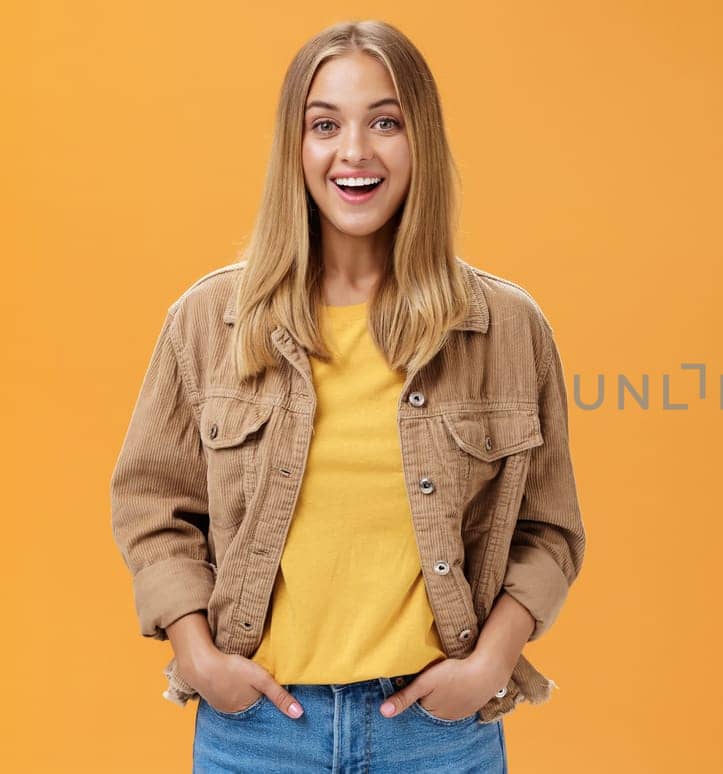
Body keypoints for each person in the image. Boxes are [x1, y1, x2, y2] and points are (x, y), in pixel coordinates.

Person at [109, 19, 585, 773]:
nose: (353, 151)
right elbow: (152, 505)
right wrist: (196, 655)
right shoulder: (210, 322)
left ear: (419, 140)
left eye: (385, 122)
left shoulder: (503, 328)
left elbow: (549, 529)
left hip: (439, 737)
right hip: (257, 735)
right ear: (294, 148)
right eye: (324, 124)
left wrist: (491, 665)